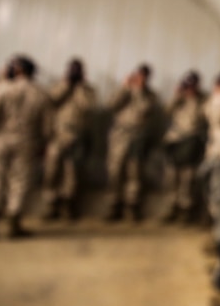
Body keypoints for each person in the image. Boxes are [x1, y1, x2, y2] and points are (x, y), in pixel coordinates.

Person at [0, 55, 50, 238]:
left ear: (17, 69)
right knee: (19, 183)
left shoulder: (0, 89)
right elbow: (48, 126)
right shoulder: (40, 93)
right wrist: (43, 145)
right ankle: (13, 225)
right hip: (27, 143)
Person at [42, 58, 97, 221]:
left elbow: (87, 107)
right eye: (72, 70)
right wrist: (66, 85)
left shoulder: (88, 90)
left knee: (71, 173)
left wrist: (79, 87)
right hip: (57, 136)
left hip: (77, 136)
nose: (74, 73)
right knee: (51, 171)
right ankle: (51, 204)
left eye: (77, 70)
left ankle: (68, 205)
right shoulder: (59, 86)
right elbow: (51, 100)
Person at [105, 63, 160, 221]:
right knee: (115, 171)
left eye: (144, 76)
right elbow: (111, 105)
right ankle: (114, 205)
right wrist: (125, 87)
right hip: (119, 137)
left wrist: (138, 91)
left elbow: (144, 109)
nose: (140, 78)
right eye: (139, 74)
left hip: (138, 137)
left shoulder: (150, 95)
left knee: (134, 173)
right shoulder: (124, 91)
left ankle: (132, 207)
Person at [161, 70, 209, 224]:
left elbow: (200, 118)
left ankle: (185, 209)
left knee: (188, 179)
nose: (189, 89)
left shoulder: (202, 100)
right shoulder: (178, 99)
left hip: (192, 143)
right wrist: (178, 96)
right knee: (171, 177)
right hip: (175, 142)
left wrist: (193, 99)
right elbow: (166, 111)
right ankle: (171, 207)